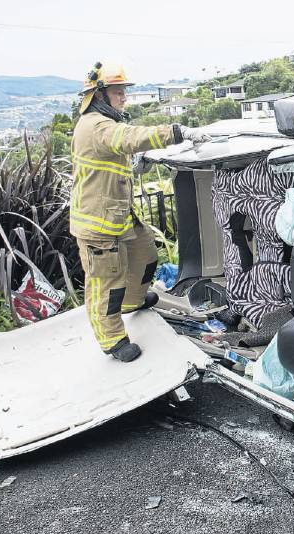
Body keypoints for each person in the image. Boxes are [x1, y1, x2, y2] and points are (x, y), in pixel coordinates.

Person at [71, 61, 209, 362]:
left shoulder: (101, 126)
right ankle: (113, 341)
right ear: (99, 95)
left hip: (116, 215)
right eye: (119, 92)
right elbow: (129, 137)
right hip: (97, 224)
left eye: (124, 92)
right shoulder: (95, 125)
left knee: (145, 254)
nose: (124, 98)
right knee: (106, 284)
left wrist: (136, 167)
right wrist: (178, 131)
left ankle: (132, 302)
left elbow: (110, 165)